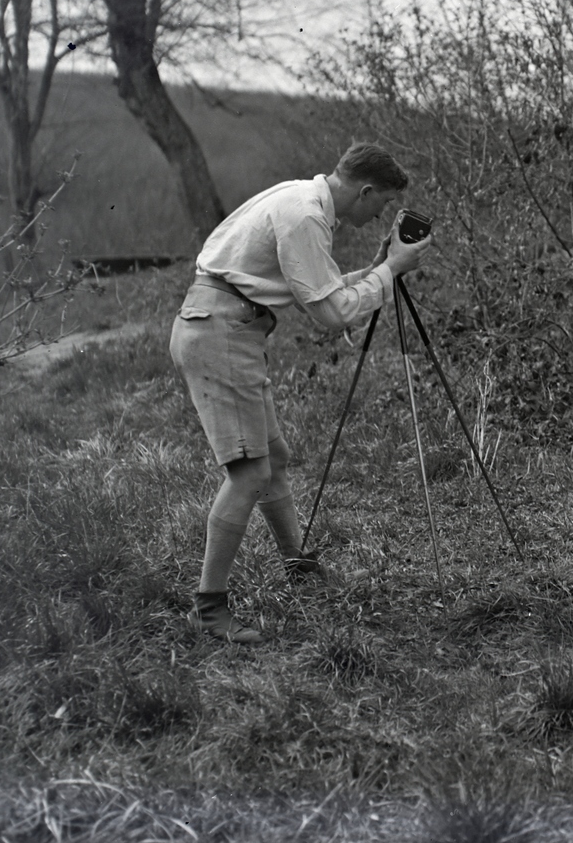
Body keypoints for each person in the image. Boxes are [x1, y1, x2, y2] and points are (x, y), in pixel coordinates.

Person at [169, 142, 432, 643]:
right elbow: (332, 317)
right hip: (221, 334)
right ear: (366, 190)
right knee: (249, 473)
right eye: (383, 205)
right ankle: (209, 609)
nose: (382, 217)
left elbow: (324, 294)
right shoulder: (306, 217)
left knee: (273, 456)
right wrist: (392, 270)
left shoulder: (302, 200)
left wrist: (380, 267)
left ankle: (297, 565)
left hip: (224, 327)